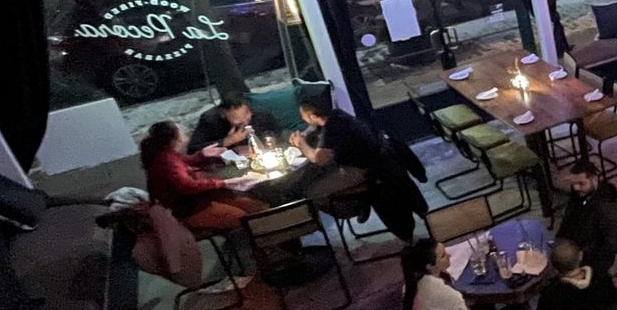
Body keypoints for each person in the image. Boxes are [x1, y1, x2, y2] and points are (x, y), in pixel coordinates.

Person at [285, 96, 422, 241]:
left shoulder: (332, 129)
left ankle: (356, 206)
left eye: (304, 116)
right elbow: (315, 126)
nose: (303, 119)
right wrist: (306, 133)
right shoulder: (337, 115)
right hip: (375, 160)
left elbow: (318, 159)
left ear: (312, 116)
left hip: (364, 170)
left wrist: (301, 144)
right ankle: (358, 203)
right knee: (319, 175)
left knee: (311, 193)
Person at [138, 121, 267, 234]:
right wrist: (224, 183)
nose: (184, 131)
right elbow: (188, 186)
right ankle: (264, 247)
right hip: (189, 211)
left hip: (201, 201)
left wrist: (202, 154)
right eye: (180, 131)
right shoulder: (166, 161)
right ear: (174, 139)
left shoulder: (168, 155)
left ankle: (267, 238)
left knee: (257, 208)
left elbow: (186, 161)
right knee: (247, 219)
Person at [554, 161, 617, 277]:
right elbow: (568, 219)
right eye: (573, 183)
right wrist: (559, 240)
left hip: (597, 257)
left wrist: (582, 254)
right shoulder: (579, 194)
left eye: (581, 183)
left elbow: (613, 244)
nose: (576, 187)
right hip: (577, 246)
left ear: (594, 179)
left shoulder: (607, 207)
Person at [186, 92, 281, 155]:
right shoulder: (210, 120)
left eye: (247, 117)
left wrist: (262, 144)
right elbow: (192, 150)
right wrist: (227, 141)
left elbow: (277, 133)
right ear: (223, 114)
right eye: (238, 121)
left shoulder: (260, 112)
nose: (245, 123)